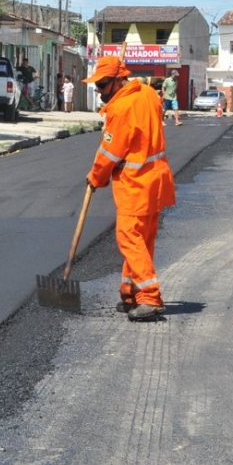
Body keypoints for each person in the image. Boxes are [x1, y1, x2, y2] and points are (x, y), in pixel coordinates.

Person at [83, 56, 176, 321]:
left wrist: (95, 177)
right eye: (97, 86)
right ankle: (130, 292)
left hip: (136, 184)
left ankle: (149, 297)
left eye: (102, 85)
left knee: (128, 237)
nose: (99, 91)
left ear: (118, 80)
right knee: (142, 240)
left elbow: (110, 152)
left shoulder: (121, 107)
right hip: (156, 179)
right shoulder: (148, 94)